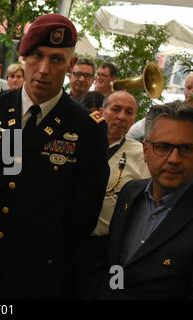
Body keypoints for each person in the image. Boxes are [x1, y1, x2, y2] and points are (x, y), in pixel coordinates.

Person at [0, 14, 109, 299]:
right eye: (37, 56)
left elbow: (83, 215)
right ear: (24, 57)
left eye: (57, 59)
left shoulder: (87, 128)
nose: (44, 69)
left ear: (71, 65)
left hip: (39, 275)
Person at [100, 101, 193, 299]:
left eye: (186, 148)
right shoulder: (130, 192)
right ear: (145, 150)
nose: (174, 159)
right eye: (163, 146)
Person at [76, 91, 150, 299]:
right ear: (101, 112)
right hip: (70, 240)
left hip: (107, 248)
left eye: (129, 112)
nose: (122, 116)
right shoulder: (81, 142)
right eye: (116, 109)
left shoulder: (141, 155)